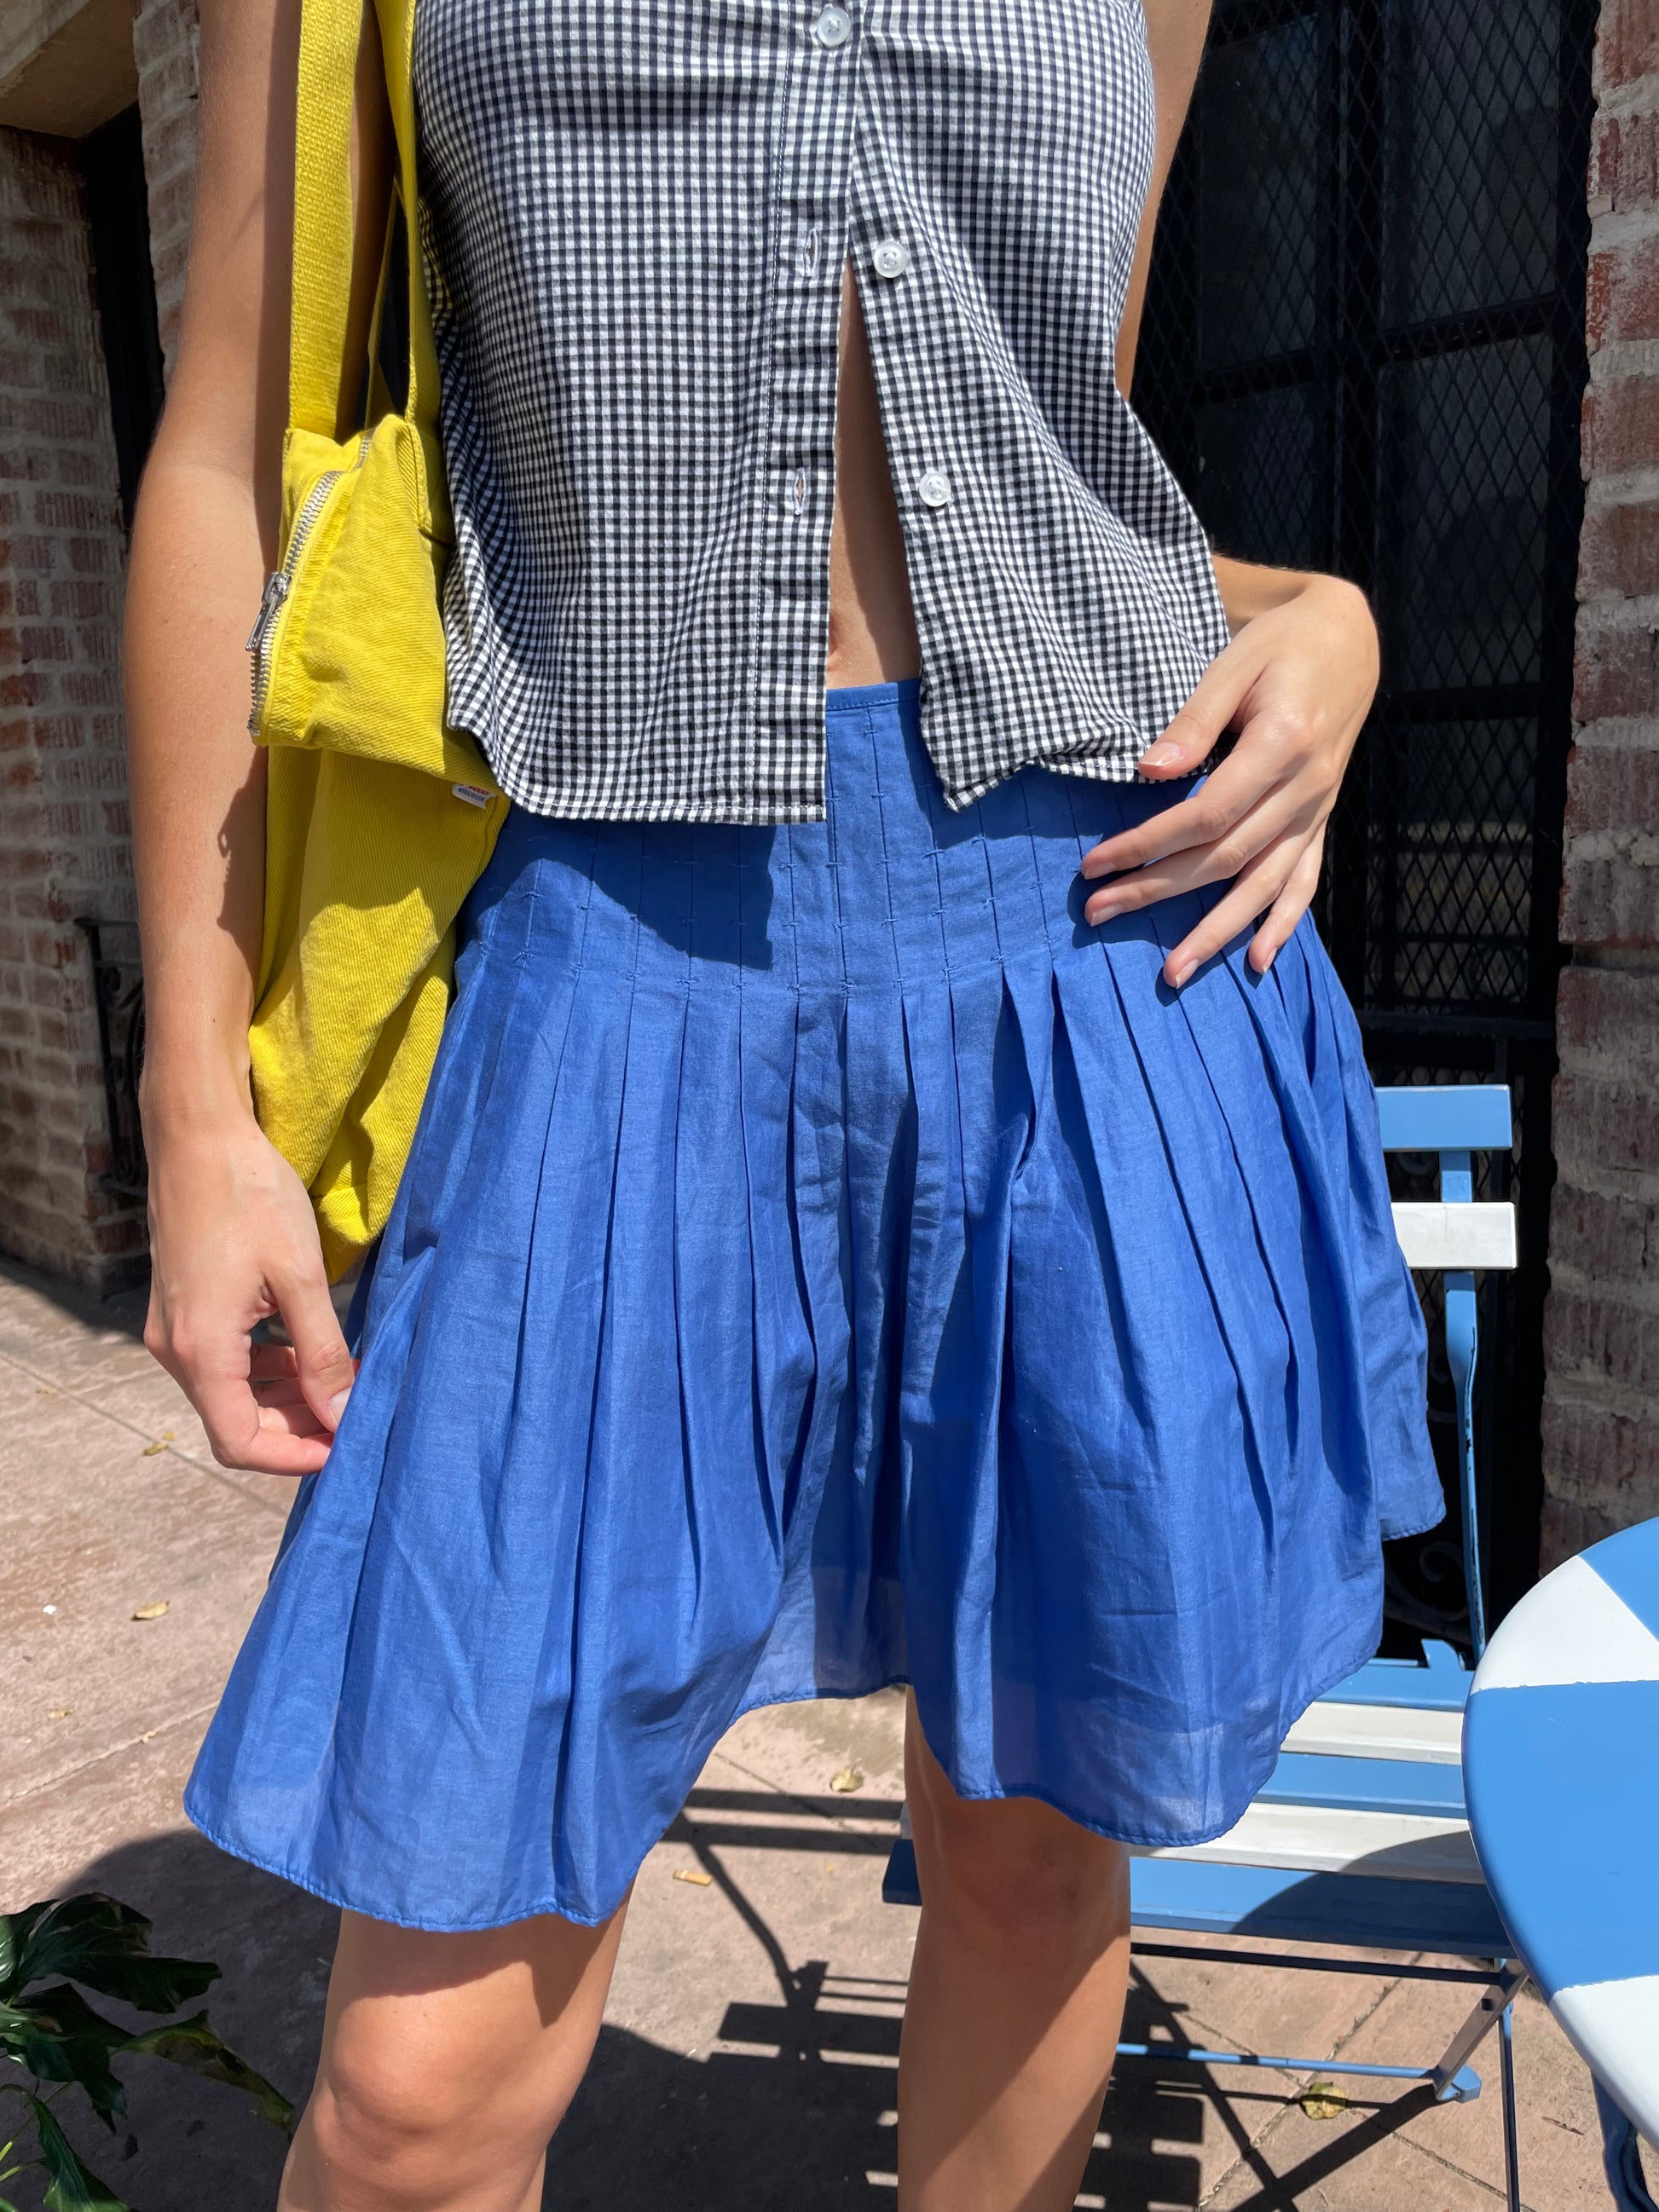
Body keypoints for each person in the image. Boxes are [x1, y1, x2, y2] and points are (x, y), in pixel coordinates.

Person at [125, 0, 1442, 2203]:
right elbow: (214, 457)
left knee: (1027, 1860)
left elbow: (1055, 460)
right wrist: (193, 1090)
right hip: (610, 977)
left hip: (1093, 943)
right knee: (414, 2095)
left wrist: (1330, 621)